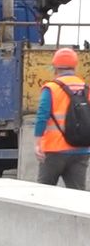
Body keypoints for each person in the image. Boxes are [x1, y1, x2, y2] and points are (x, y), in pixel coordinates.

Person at [35, 48, 88, 190]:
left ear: (55, 67)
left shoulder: (51, 88)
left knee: (43, 194)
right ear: (75, 66)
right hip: (81, 149)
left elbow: (42, 116)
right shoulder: (86, 88)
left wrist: (38, 143)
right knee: (77, 196)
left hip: (54, 149)